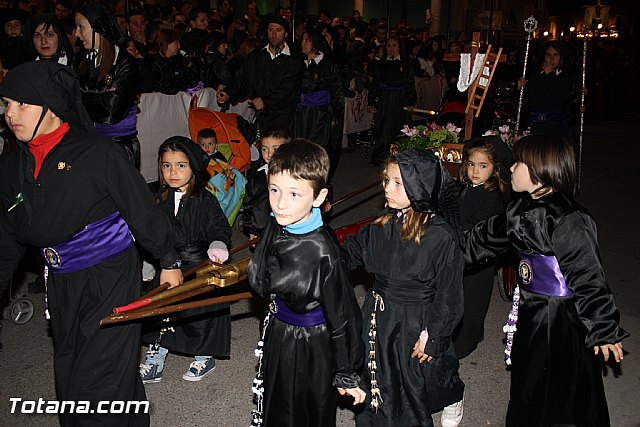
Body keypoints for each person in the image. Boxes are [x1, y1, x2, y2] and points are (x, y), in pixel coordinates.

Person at [0, 60, 182, 427]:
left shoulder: (98, 153)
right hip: (62, 279)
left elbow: (141, 210)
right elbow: (7, 235)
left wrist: (168, 260)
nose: (11, 114)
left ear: (51, 105)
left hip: (110, 274)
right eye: (5, 104)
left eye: (22, 104)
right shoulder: (11, 162)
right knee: (71, 369)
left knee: (95, 383)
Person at [465, 134, 628, 426]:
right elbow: (481, 239)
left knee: (562, 390)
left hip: (563, 320)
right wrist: (437, 251)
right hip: (531, 311)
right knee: (528, 383)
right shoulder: (518, 209)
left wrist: (603, 326)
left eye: (518, 163)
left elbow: (589, 277)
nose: (511, 169)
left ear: (541, 170)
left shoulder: (570, 219)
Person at [342, 149, 465, 427]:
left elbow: (449, 293)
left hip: (417, 319)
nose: (387, 188)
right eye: (387, 180)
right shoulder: (380, 226)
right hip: (379, 317)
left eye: (398, 183)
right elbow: (349, 252)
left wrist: (433, 335)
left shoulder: (440, 235)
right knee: (379, 378)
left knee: (420, 379)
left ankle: (451, 396)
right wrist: (318, 256)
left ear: (419, 185)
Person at [247, 139, 365, 426]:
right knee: (277, 400)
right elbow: (262, 272)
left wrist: (347, 371)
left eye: (294, 194)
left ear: (318, 196)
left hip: (311, 344)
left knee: (305, 408)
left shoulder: (324, 252)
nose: (281, 203)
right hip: (279, 331)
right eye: (274, 190)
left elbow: (343, 316)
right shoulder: (279, 221)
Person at [140, 136, 231, 384]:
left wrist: (218, 245)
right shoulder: (157, 197)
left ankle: (204, 354)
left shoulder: (204, 199)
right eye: (166, 165)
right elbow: (149, 231)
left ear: (192, 167)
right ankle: (156, 355)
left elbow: (219, 227)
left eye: (180, 165)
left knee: (198, 313)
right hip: (167, 264)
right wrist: (148, 261)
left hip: (198, 264)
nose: (172, 172)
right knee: (158, 311)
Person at [452, 137, 508, 359]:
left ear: (494, 170)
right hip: (462, 251)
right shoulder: (464, 188)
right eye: (471, 164)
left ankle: (468, 338)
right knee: (456, 296)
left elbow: (479, 226)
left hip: (479, 256)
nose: (475, 170)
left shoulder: (490, 196)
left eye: (483, 166)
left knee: (473, 299)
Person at [74, 3, 142, 169]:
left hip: (117, 148)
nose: (76, 33)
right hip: (86, 145)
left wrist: (80, 95)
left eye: (81, 27)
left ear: (98, 28)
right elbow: (68, 100)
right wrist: (102, 94)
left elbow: (112, 111)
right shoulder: (79, 60)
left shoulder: (125, 63)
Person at [236, 13, 303, 131]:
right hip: (261, 116)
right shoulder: (256, 56)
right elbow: (242, 78)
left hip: (285, 117)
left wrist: (266, 102)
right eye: (270, 30)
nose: (274, 34)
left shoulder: (294, 59)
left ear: (286, 33)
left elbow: (288, 89)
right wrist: (229, 92)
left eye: (278, 30)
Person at [295, 29, 344, 181]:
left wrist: (335, 115)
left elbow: (337, 92)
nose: (302, 44)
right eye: (302, 40)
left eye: (306, 40)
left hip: (321, 115)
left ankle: (320, 182)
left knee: (319, 149)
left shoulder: (329, 65)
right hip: (301, 114)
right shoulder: (298, 63)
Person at [368, 36, 416, 166]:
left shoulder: (406, 63)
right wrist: (371, 101)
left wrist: (411, 102)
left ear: (399, 47)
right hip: (385, 100)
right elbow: (375, 83)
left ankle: (401, 156)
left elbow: (410, 83)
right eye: (389, 46)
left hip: (400, 99)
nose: (391, 49)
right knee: (383, 128)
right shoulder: (381, 64)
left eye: (394, 45)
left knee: (401, 127)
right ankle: (381, 156)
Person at [241, 126, 290, 240]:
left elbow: (313, 186)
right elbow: (249, 204)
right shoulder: (258, 177)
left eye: (275, 149)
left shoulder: (296, 173)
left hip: (291, 227)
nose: (269, 154)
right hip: (265, 229)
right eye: (264, 149)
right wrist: (252, 230)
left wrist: (325, 200)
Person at [140, 28, 196, 95]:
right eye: (176, 43)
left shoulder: (177, 60)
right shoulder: (150, 63)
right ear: (166, 43)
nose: (179, 46)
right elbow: (159, 86)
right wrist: (177, 83)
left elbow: (188, 81)